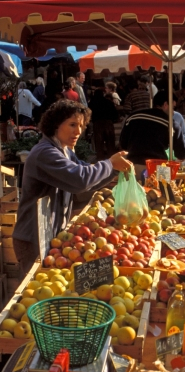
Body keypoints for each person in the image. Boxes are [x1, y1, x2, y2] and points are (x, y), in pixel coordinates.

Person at [12, 99, 132, 276]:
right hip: (33, 239)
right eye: (72, 124)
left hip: (48, 236)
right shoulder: (45, 153)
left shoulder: (65, 151)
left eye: (81, 126)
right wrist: (109, 164)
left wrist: (114, 169)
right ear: (55, 125)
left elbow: (87, 180)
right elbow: (80, 180)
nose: (78, 131)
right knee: (35, 294)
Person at [120, 90, 185, 181]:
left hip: (133, 166)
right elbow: (182, 153)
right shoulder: (170, 124)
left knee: (133, 195)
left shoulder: (133, 117)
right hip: (160, 168)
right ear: (165, 104)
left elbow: (123, 144)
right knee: (163, 193)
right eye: (173, 108)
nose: (173, 112)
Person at [88, 88, 118, 160]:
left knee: (99, 143)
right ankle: (112, 159)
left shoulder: (92, 103)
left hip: (97, 123)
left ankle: (100, 159)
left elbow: (89, 114)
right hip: (108, 123)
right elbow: (115, 113)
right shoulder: (108, 102)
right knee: (110, 143)